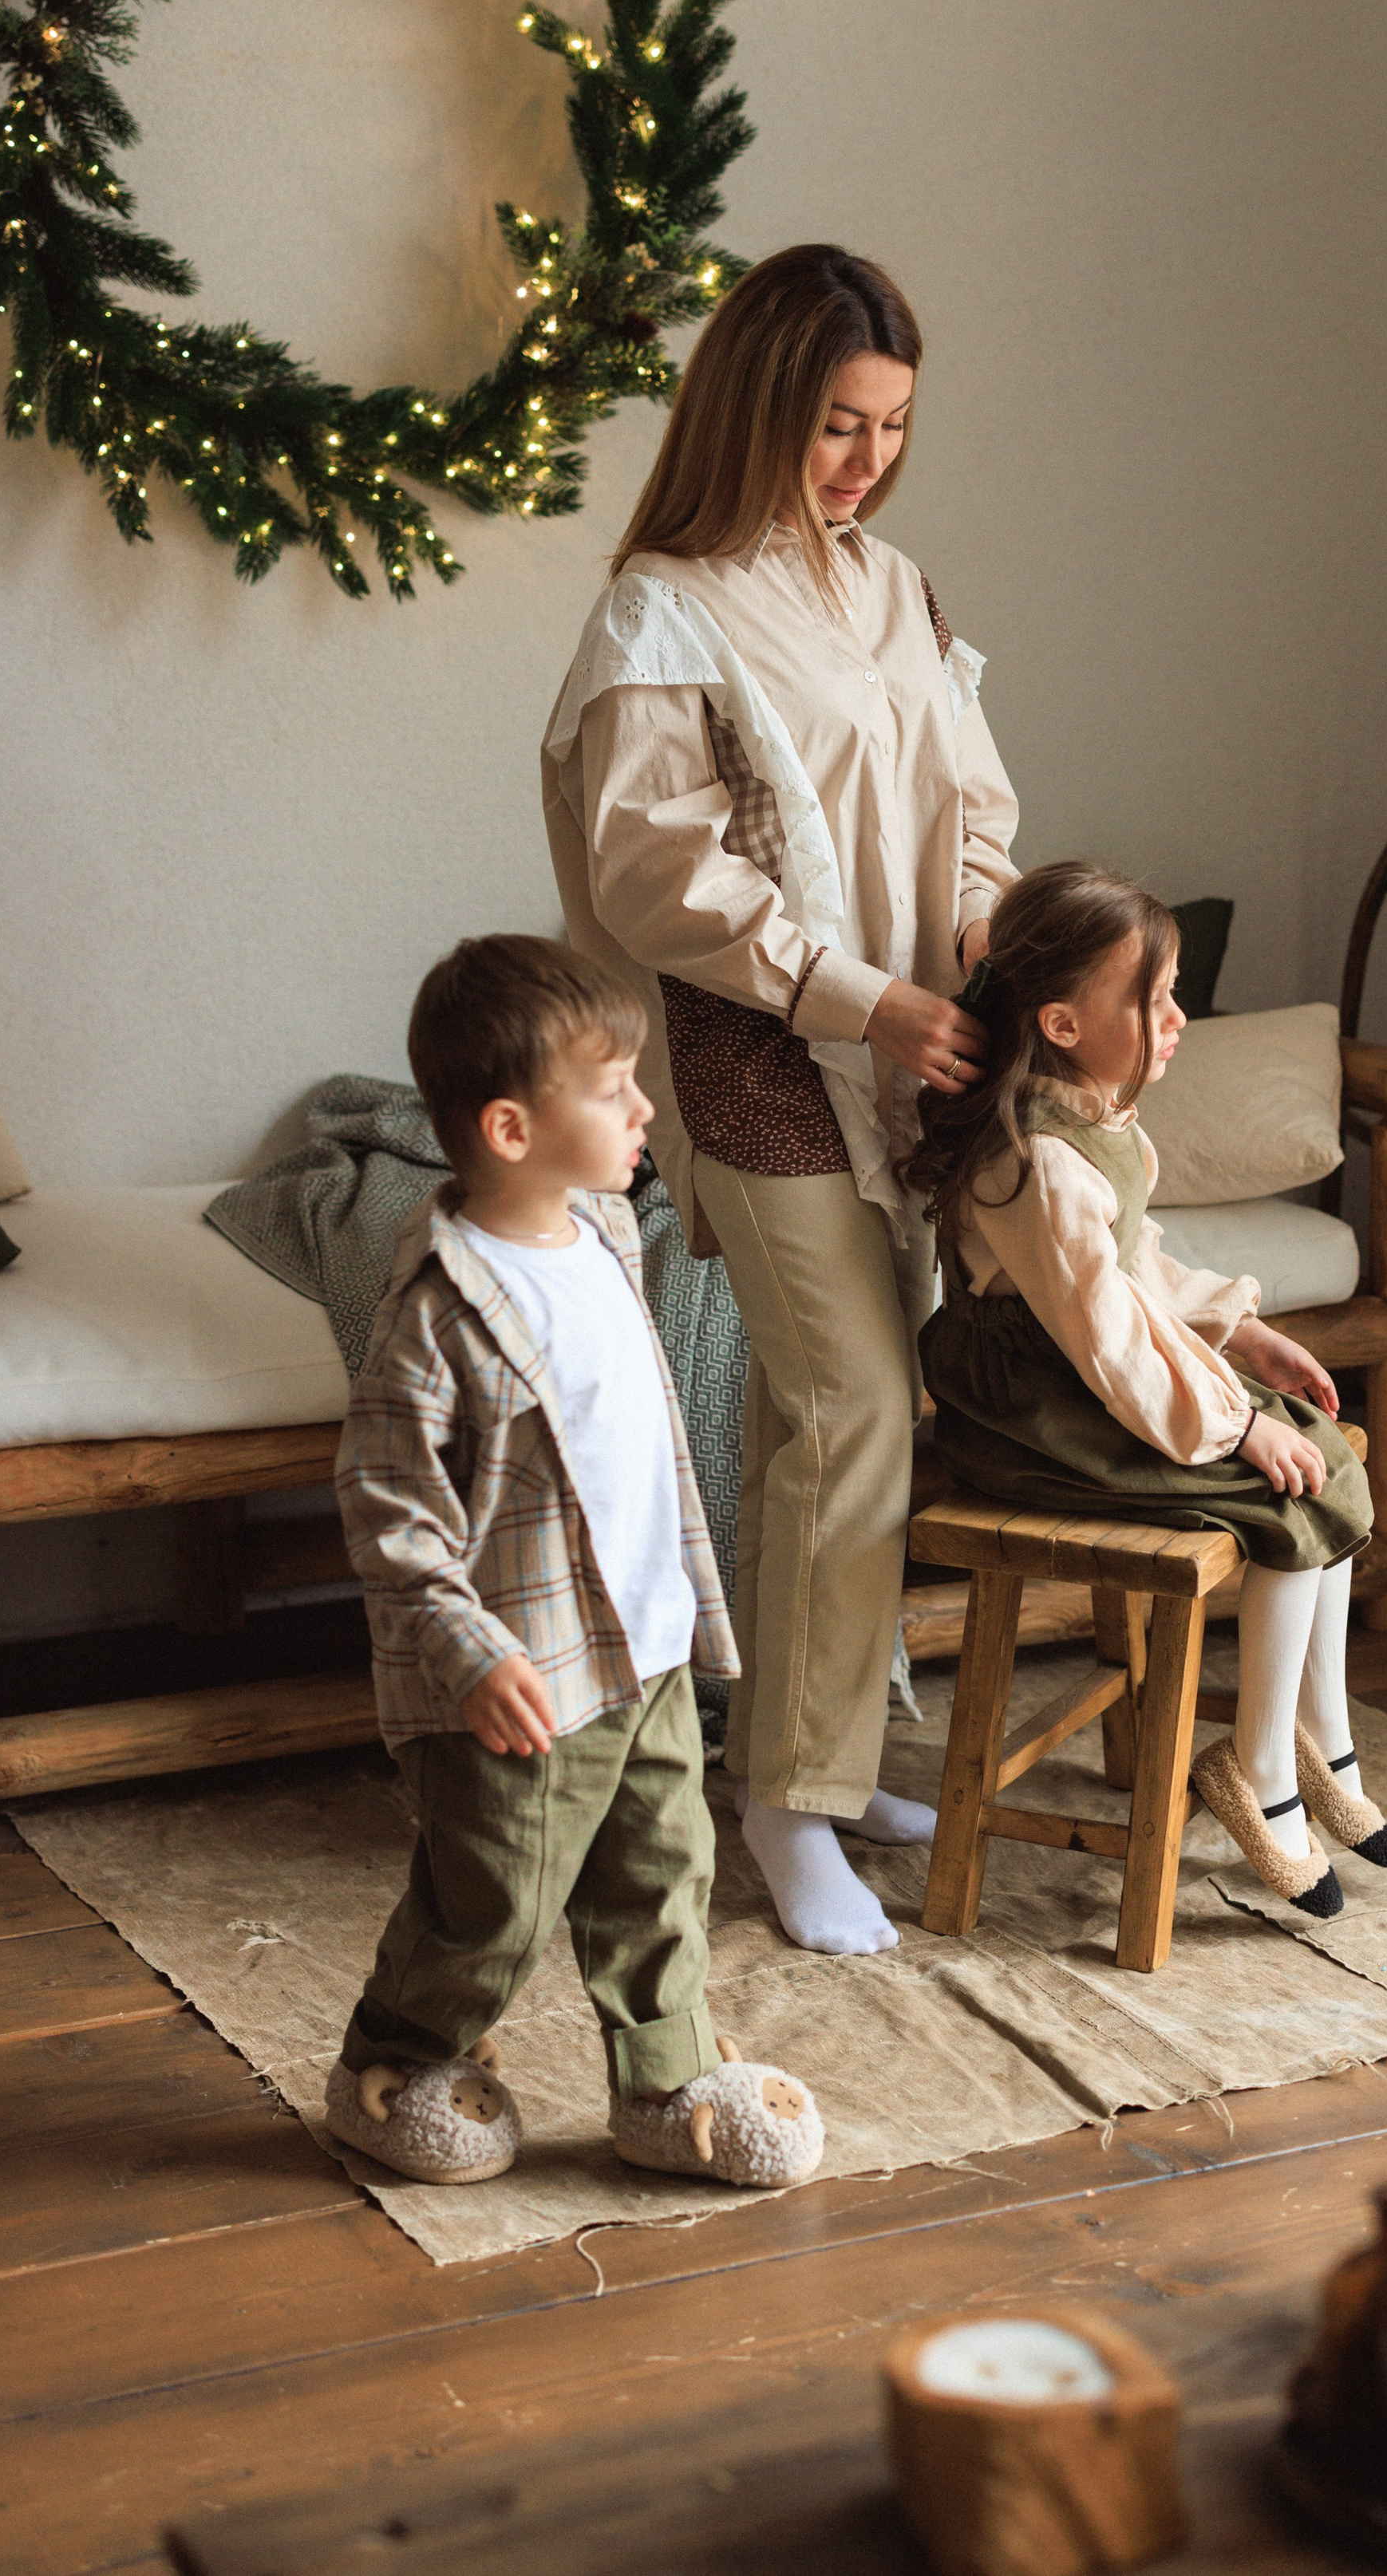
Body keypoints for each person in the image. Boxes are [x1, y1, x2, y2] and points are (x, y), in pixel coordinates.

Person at [543, 245, 1019, 1959]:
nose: (865, 460)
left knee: (818, 1421)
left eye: (889, 427)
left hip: (905, 1034)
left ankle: (791, 1753)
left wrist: (974, 928)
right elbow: (656, 872)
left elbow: (969, 799)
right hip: (752, 1043)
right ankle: (788, 1804)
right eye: (835, 424)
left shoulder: (894, 589)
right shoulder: (663, 607)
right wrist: (857, 994)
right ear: (758, 403)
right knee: (856, 1402)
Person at [325, 934, 823, 2191]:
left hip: (646, 1638)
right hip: (524, 1671)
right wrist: (466, 1647)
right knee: (491, 1897)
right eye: (611, 1089)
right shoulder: (438, 1309)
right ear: (506, 1126)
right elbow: (390, 1509)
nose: (643, 1105)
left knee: (663, 1869)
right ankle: (395, 2061)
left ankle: (666, 2083)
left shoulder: (606, 1229)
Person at [903, 862, 1387, 1916]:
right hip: (1034, 1412)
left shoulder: (1089, 1116)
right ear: (1064, 1021)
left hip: (1085, 1374)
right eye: (1154, 996)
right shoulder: (1038, 1158)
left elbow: (1141, 1266)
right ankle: (1257, 1771)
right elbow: (1108, 1331)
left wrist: (1244, 1331)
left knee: (1331, 1450)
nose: (1177, 1018)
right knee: (1285, 1488)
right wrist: (1232, 1431)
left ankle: (1319, 1735)